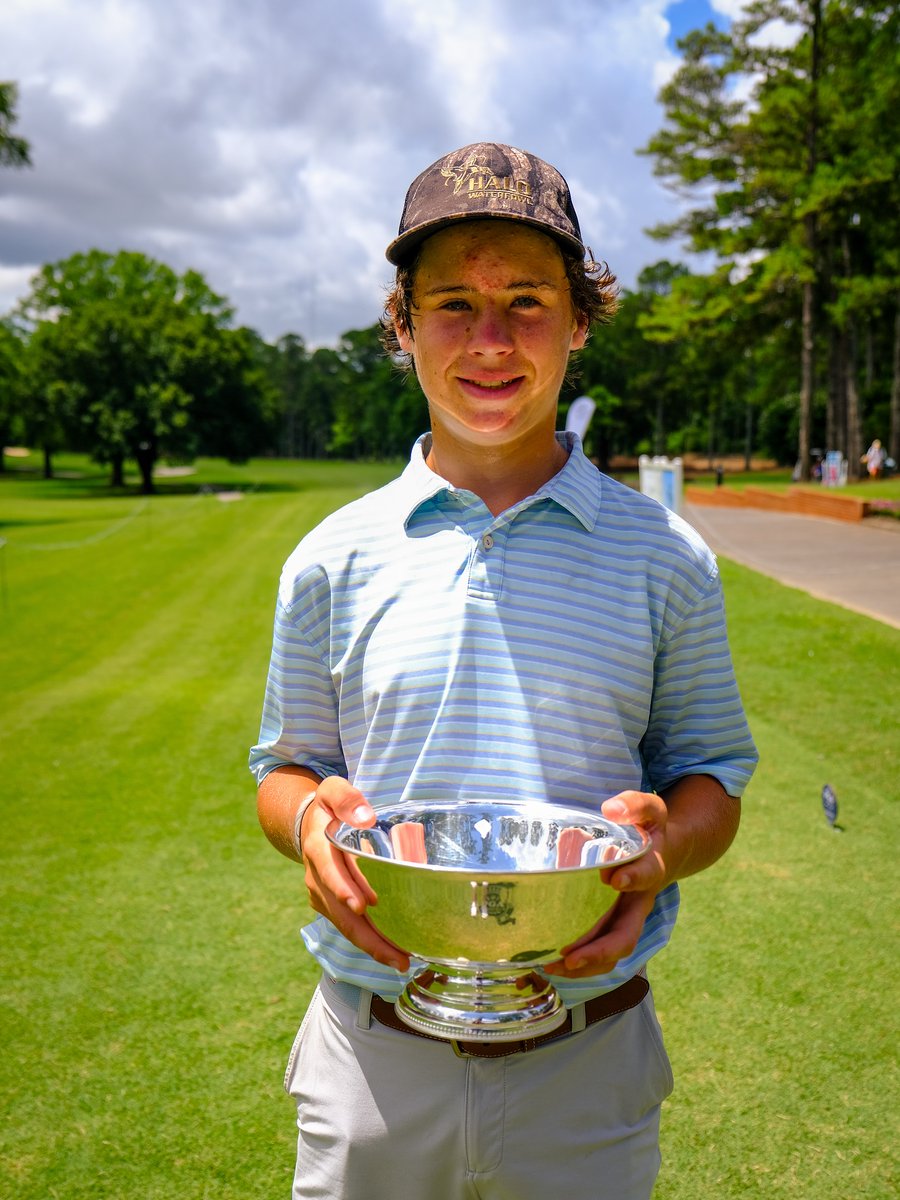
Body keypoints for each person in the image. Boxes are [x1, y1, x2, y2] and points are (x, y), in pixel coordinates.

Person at [249, 142, 758, 1200]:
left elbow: (711, 778)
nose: (490, 342)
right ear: (402, 323)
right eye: (452, 305)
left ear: (579, 321)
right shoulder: (331, 558)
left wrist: (665, 851)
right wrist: (309, 823)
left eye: (527, 301)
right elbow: (285, 767)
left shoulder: (667, 556)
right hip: (372, 1059)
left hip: (586, 1059)